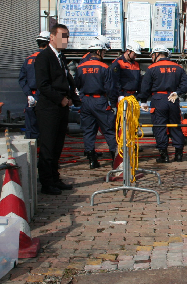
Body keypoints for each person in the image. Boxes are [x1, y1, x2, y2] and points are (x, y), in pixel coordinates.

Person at [34, 24, 81, 195]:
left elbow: (68, 80)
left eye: (67, 36)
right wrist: (60, 99)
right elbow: (43, 85)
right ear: (52, 37)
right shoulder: (44, 57)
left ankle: (55, 178)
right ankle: (46, 183)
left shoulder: (61, 57)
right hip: (48, 108)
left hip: (61, 108)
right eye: (62, 36)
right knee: (48, 146)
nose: (65, 40)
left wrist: (74, 99)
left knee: (58, 145)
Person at [139, 46, 187, 163]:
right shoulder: (178, 68)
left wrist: (143, 101)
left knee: (159, 127)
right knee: (175, 126)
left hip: (158, 99)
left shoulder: (152, 68)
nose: (152, 57)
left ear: (157, 54)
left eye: (152, 55)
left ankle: (164, 155)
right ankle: (178, 154)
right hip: (173, 99)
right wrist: (177, 93)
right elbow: (186, 85)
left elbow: (145, 87)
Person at [75, 39, 118, 170]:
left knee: (88, 131)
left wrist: (82, 98)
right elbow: (110, 88)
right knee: (109, 130)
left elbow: (77, 85)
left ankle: (92, 160)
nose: (104, 54)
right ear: (99, 51)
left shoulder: (80, 67)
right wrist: (113, 104)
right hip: (100, 101)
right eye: (104, 52)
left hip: (86, 101)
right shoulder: (105, 67)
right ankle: (115, 160)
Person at [18, 31, 51, 139]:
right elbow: (49, 80)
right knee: (46, 128)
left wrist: (29, 95)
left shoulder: (28, 59)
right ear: (48, 43)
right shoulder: (48, 59)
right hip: (44, 97)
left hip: (31, 98)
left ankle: (32, 153)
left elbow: (22, 79)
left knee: (31, 127)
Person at [110, 42, 142, 107]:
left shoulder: (136, 64)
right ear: (128, 51)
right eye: (134, 54)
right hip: (123, 95)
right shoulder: (118, 63)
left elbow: (139, 81)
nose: (135, 56)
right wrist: (120, 94)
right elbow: (115, 81)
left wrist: (139, 95)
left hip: (134, 96)